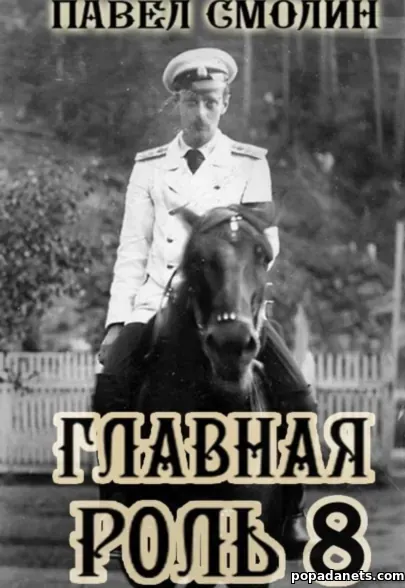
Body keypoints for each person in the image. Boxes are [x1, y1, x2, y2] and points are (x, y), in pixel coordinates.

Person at [92, 47, 316, 560]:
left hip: (230, 302)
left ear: (225, 103)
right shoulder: (149, 168)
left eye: (210, 102)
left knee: (298, 396)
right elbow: (132, 248)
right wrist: (117, 322)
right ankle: (117, 505)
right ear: (177, 104)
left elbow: (267, 243)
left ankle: (291, 511)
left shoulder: (249, 163)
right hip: (157, 303)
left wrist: (223, 246)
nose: (200, 113)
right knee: (111, 386)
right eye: (191, 102)